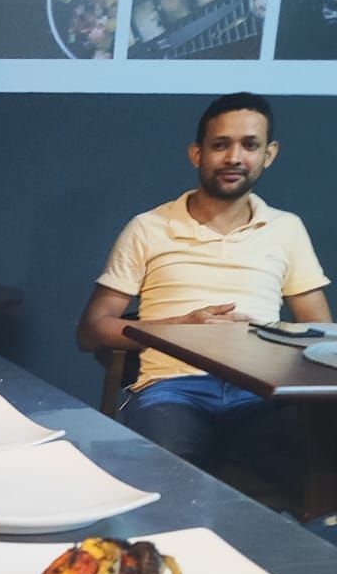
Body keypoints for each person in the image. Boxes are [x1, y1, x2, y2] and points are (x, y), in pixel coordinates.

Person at [76, 91, 331, 493]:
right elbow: (91, 330)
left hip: (261, 396)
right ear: (197, 154)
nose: (234, 157)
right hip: (173, 391)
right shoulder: (149, 227)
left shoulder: (286, 228)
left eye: (250, 145)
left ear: (269, 154)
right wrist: (180, 327)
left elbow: (321, 333)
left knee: (319, 465)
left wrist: (268, 342)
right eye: (220, 145)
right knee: (163, 479)